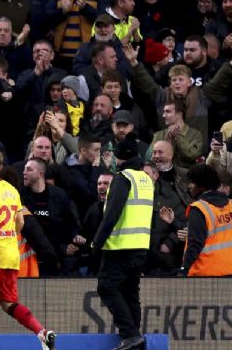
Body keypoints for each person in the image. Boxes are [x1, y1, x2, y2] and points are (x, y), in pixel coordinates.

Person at [0, 149, 57, 350]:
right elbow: (20, 223)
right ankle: (42, 333)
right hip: (11, 255)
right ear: (0, 167)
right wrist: (8, 236)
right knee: (8, 303)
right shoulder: (12, 191)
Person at [92, 135, 153, 350]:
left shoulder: (123, 178)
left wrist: (97, 243)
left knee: (107, 287)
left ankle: (130, 335)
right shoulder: (146, 179)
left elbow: (112, 214)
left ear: (119, 159)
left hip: (120, 246)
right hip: (140, 246)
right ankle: (135, 338)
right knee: (130, 292)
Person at [174, 163, 232, 277]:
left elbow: (195, 244)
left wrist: (183, 269)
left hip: (207, 274)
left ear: (201, 185)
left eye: (192, 182)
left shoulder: (199, 209)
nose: (189, 186)